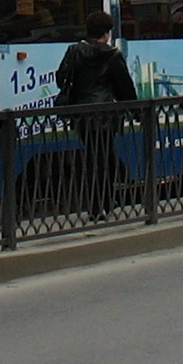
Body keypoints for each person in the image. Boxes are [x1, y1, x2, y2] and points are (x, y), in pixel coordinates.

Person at [55, 11, 136, 220]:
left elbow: (61, 78)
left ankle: (98, 204)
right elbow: (124, 88)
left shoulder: (74, 51)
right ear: (107, 33)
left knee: (95, 156)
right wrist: (137, 111)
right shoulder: (113, 55)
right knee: (104, 157)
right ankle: (102, 204)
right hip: (105, 116)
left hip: (81, 116)